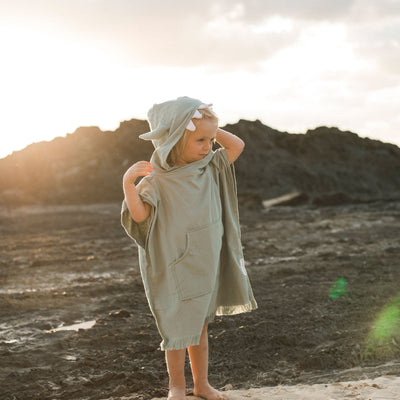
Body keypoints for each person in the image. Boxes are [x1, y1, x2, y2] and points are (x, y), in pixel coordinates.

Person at [121, 96, 257, 400]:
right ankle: (177, 387)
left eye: (210, 140)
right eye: (199, 140)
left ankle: (202, 384)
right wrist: (129, 186)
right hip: (173, 265)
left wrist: (208, 126)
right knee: (176, 330)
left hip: (204, 262)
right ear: (174, 138)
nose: (208, 146)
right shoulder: (156, 181)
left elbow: (236, 146)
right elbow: (140, 216)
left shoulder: (209, 166)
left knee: (200, 327)